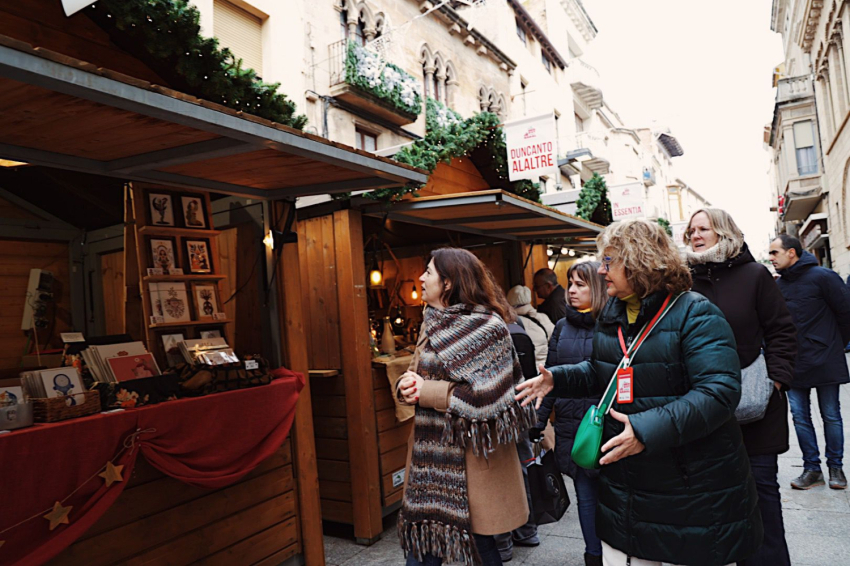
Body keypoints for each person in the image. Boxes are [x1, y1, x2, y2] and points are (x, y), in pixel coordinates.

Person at [516, 219, 763, 566]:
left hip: (691, 491)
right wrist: (557, 378)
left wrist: (645, 430)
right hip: (627, 488)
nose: (602, 271)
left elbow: (719, 393)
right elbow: (605, 373)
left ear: (639, 259)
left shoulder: (696, 313)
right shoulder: (612, 315)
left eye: (609, 261)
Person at [396, 248, 538, 566]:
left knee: (481, 546)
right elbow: (417, 373)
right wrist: (405, 386)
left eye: (428, 272)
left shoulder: (488, 327)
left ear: (447, 282)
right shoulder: (430, 322)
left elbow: (490, 399)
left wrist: (426, 391)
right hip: (428, 459)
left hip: (472, 462)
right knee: (424, 546)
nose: (420, 278)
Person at [685, 209, 796, 566]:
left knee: (762, 493)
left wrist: (775, 380)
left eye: (704, 229)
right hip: (703, 412)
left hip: (756, 407)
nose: (695, 235)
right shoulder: (683, 281)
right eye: (691, 231)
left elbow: (781, 329)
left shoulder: (755, 275)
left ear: (724, 233)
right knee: (714, 501)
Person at [528, 260, 607, 566]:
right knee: (585, 499)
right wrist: (537, 421)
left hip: (610, 429)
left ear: (597, 288)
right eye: (570, 284)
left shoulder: (615, 324)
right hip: (575, 431)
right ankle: (594, 556)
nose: (571, 291)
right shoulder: (561, 327)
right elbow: (551, 379)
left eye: (580, 284)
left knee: (613, 500)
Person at [769, 234, 850, 490]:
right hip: (793, 363)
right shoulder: (778, 286)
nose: (771, 258)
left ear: (791, 252)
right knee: (800, 418)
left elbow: (846, 313)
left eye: (774, 253)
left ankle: (836, 468)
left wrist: (834, 343)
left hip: (825, 358)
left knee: (831, 415)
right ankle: (811, 469)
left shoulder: (824, 277)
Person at [495, 316, 541, 562]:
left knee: (498, 473)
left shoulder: (483, 330)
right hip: (521, 407)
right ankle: (528, 530)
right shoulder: (518, 328)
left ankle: (501, 543)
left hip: (495, 414)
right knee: (524, 465)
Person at [507, 285, 555, 367]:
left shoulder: (510, 323)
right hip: (546, 368)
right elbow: (555, 341)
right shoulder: (543, 317)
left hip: (527, 371)